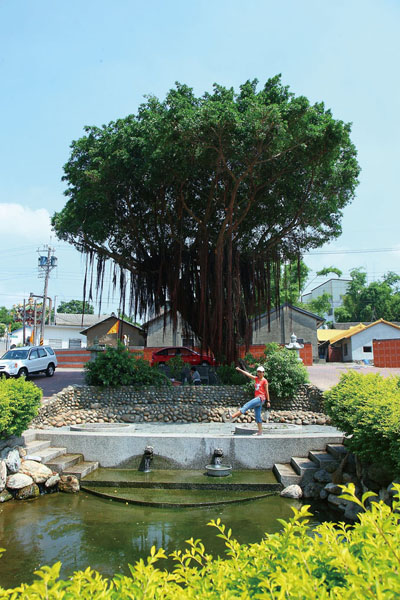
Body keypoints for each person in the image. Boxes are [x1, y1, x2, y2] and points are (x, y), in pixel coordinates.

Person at [224, 365, 270, 436]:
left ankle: (232, 417)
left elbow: (267, 392)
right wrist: (240, 370)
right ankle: (260, 432)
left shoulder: (264, 381)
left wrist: (268, 401)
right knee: (257, 416)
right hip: (257, 399)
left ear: (263, 373)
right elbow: (248, 375)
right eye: (258, 372)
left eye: (261, 372)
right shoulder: (256, 379)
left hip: (260, 399)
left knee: (246, 406)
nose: (259, 373)